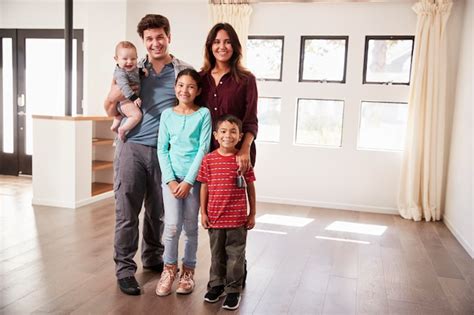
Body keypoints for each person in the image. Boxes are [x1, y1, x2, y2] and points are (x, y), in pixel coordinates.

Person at [103, 14, 192, 296]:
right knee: (127, 212)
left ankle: (153, 257)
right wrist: (112, 103)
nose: (155, 43)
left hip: (166, 154)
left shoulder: (182, 71)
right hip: (132, 149)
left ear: (169, 37)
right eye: (149, 39)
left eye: (160, 37)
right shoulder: (130, 68)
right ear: (143, 42)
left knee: (159, 213)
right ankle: (125, 271)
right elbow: (109, 105)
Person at [155, 69, 211, 296]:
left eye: (190, 86)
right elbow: (162, 149)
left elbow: (203, 149)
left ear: (198, 91)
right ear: (175, 87)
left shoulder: (203, 114)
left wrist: (189, 181)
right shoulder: (167, 115)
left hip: (194, 181)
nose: (184, 90)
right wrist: (170, 180)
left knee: (190, 227)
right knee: (171, 226)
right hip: (171, 180)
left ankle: (188, 272)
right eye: (180, 85)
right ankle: (169, 270)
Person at [198, 114, 256, 310]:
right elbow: (204, 187)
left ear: (240, 136)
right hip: (215, 218)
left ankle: (233, 290)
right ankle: (216, 286)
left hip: (237, 220)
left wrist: (252, 213)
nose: (227, 136)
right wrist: (203, 213)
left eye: (233, 132)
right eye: (223, 131)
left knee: (235, 257)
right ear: (216, 135)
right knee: (216, 256)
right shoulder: (208, 160)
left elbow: (250, 187)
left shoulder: (242, 161)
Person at [199, 23, 258, 174]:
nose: (222, 46)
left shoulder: (247, 79)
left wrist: (245, 149)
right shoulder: (200, 78)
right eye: (217, 42)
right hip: (206, 152)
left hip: (236, 152)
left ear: (235, 46)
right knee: (207, 197)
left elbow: (251, 121)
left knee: (233, 196)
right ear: (210, 46)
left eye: (228, 42)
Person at [109, 41, 143, 141]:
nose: (129, 62)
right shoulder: (120, 73)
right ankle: (122, 129)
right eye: (125, 59)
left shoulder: (131, 68)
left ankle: (114, 126)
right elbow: (124, 87)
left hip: (124, 104)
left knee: (120, 116)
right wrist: (134, 98)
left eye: (133, 59)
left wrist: (141, 72)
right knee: (137, 116)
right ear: (116, 59)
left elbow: (135, 71)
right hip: (126, 101)